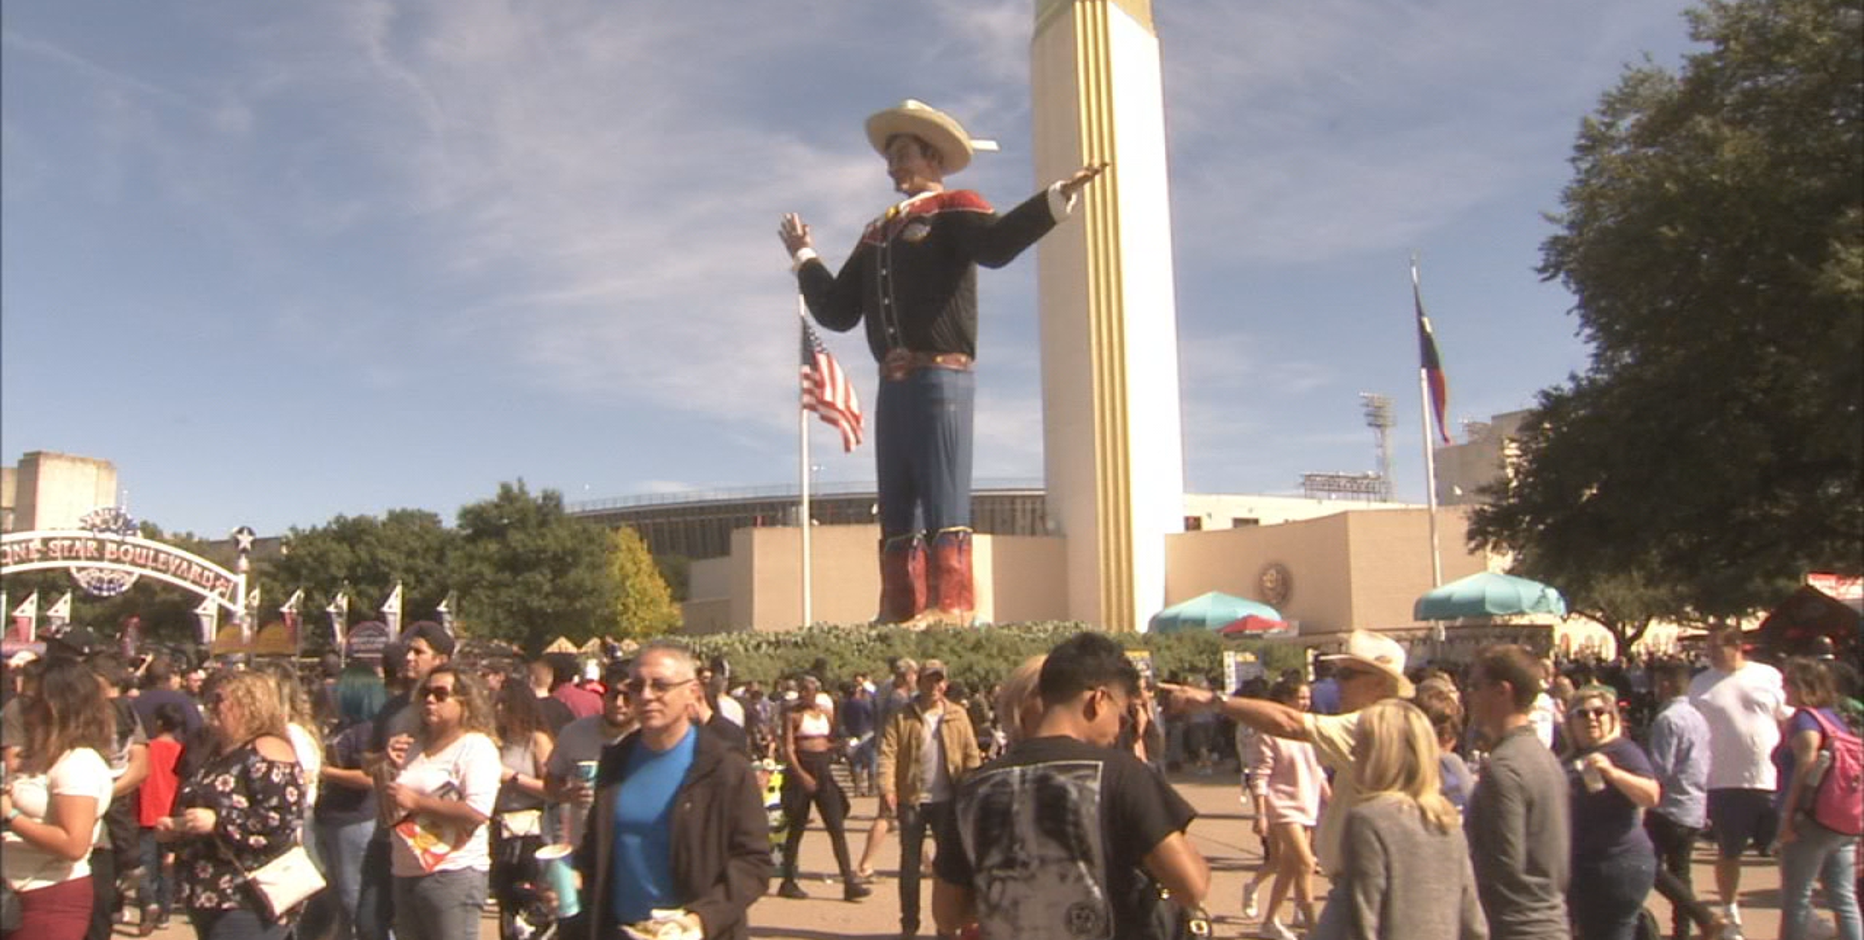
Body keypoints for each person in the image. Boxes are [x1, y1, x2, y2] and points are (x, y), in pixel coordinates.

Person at [780, 99, 1107, 625]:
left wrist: (1055, 198)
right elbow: (839, 310)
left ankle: (950, 604)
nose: (893, 167)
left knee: (942, 487)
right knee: (897, 495)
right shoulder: (876, 232)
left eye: (903, 153)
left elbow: (998, 244)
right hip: (893, 380)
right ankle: (899, 606)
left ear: (933, 156)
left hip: (942, 376)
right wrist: (804, 258)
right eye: (890, 158)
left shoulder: (956, 206)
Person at [932, 632, 1208, 939]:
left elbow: (947, 913)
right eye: (1122, 715)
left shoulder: (973, 789)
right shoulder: (1123, 776)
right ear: (1099, 700)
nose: (1120, 728)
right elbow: (1191, 887)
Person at [1165, 630, 1414, 937]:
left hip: (1361, 883)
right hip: (1362, 877)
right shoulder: (1392, 722)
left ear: (1379, 682)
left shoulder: (1371, 723)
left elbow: (1291, 723)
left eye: (1347, 674)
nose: (1337, 683)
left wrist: (1213, 701)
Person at [571, 641, 771, 940]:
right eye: (636, 687)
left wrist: (701, 920)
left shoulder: (723, 766)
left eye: (660, 686)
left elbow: (754, 862)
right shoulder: (616, 761)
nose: (646, 696)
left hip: (690, 931)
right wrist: (572, 876)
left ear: (692, 692)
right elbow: (596, 847)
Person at [158, 670, 309, 940]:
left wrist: (219, 821)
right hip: (209, 894)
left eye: (220, 701)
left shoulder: (268, 750)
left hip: (246, 898)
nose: (211, 708)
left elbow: (281, 820)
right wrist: (178, 828)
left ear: (250, 705)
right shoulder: (218, 751)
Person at [1327, 698, 1486, 940]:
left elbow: (1362, 923)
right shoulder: (1446, 819)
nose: (1352, 754)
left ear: (1379, 755)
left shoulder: (1369, 820)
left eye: (1358, 746)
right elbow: (1473, 924)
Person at [1, 659, 116, 940]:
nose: (23, 711)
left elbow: (73, 843)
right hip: (15, 891)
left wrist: (10, 816)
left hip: (49, 897)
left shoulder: (78, 764)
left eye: (30, 702)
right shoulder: (41, 756)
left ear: (56, 706)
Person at [1463, 644, 1570, 940]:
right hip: (1549, 920)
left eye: (1475, 686)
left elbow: (1501, 867)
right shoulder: (1544, 758)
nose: (1468, 694)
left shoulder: (1504, 767)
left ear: (1502, 691)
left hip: (1516, 926)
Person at [387, 665, 501, 940]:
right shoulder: (413, 744)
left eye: (441, 694)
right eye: (425, 693)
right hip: (406, 869)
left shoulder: (476, 747)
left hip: (453, 872)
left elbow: (477, 812)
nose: (429, 700)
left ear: (465, 702)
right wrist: (385, 763)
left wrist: (416, 801)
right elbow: (389, 795)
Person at [1688, 624, 1788, 929]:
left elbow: (1785, 719)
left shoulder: (1767, 676)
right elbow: (1693, 733)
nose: (1712, 654)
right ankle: (1730, 913)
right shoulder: (1701, 684)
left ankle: (1798, 909)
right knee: (1728, 851)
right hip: (1723, 782)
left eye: (1717, 647)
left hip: (1770, 779)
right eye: (1709, 648)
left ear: (1737, 646)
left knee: (1783, 850)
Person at [876, 659, 982, 939]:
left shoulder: (958, 714)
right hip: (912, 799)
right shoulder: (903, 715)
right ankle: (908, 924)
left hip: (947, 801)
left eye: (939, 681)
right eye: (928, 680)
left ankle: (945, 926)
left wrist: (972, 790)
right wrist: (886, 788)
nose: (934, 686)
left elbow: (971, 755)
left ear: (945, 684)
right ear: (918, 682)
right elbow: (888, 752)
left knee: (948, 867)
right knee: (910, 864)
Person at [1560, 685, 1660, 940]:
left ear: (1611, 718)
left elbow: (1651, 795)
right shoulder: (1569, 758)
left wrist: (1612, 773)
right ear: (1570, 722)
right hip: (1584, 867)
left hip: (1617, 864)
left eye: (1599, 712)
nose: (1591, 718)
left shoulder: (1621, 750)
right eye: (1582, 714)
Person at [1643, 659, 1731, 940]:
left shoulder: (1667, 719)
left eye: (1657, 683)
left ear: (1666, 684)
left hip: (1669, 806)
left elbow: (1661, 769)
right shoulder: (1696, 716)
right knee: (1680, 873)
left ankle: (1699, 914)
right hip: (1693, 803)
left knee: (1647, 865)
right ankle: (1685, 930)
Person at [1773, 658, 1861, 940]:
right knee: (1843, 897)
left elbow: (1804, 767)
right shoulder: (1835, 718)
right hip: (1842, 820)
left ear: (1802, 686)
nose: (1783, 687)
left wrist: (1788, 817)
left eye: (1788, 682)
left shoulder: (1805, 719)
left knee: (1796, 898)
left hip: (1810, 820)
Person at [310, 664, 388, 940]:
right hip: (330, 818)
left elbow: (369, 778)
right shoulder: (341, 727)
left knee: (354, 894)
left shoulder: (367, 730)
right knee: (338, 897)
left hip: (355, 820)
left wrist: (326, 772)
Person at [1247, 677, 1327, 940]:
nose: (1305, 702)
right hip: (1281, 806)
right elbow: (1259, 775)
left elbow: (1317, 769)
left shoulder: (1307, 730)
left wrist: (1330, 798)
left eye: (1306, 697)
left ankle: (1270, 920)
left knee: (1290, 867)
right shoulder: (1268, 734)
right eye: (1300, 697)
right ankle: (1314, 927)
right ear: (1285, 700)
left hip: (1307, 803)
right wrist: (1260, 813)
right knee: (1306, 863)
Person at [775, 675, 868, 901]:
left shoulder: (825, 714)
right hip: (802, 768)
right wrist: (801, 775)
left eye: (811, 689)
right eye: (804, 689)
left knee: (836, 825)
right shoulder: (792, 715)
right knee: (797, 826)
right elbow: (788, 749)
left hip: (822, 768)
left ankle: (849, 880)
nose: (807, 693)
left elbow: (827, 740)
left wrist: (839, 745)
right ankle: (788, 880)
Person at [544, 661, 635, 850]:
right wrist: (566, 794)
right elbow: (551, 779)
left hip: (632, 846)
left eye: (627, 697)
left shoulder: (650, 737)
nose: (619, 704)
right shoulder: (574, 732)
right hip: (584, 844)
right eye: (613, 695)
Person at [490, 679, 554, 940]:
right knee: (505, 896)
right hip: (501, 827)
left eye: (504, 704)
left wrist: (512, 777)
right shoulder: (497, 742)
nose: (499, 710)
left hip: (531, 827)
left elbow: (552, 788)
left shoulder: (537, 740)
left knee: (530, 896)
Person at [135, 702, 187, 937]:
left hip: (146, 812)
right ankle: (164, 911)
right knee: (168, 866)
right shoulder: (182, 751)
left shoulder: (147, 749)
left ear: (158, 723)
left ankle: (148, 904)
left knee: (145, 866)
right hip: (172, 817)